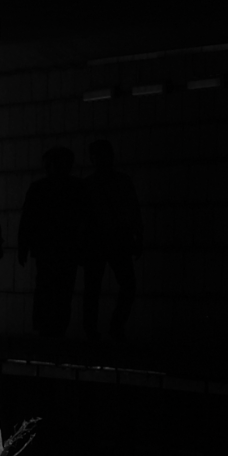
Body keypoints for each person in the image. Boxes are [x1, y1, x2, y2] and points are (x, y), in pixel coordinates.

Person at [17, 145, 84, 347]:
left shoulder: (42, 188)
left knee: (51, 288)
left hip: (52, 248)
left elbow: (27, 220)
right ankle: (53, 327)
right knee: (58, 289)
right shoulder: (75, 187)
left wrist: (24, 246)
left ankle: (50, 327)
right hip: (59, 248)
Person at [81, 136, 141, 344]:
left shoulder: (91, 185)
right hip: (110, 241)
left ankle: (96, 330)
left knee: (95, 288)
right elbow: (134, 212)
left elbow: (133, 211)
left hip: (106, 241)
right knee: (112, 286)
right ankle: (110, 328)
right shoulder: (119, 182)